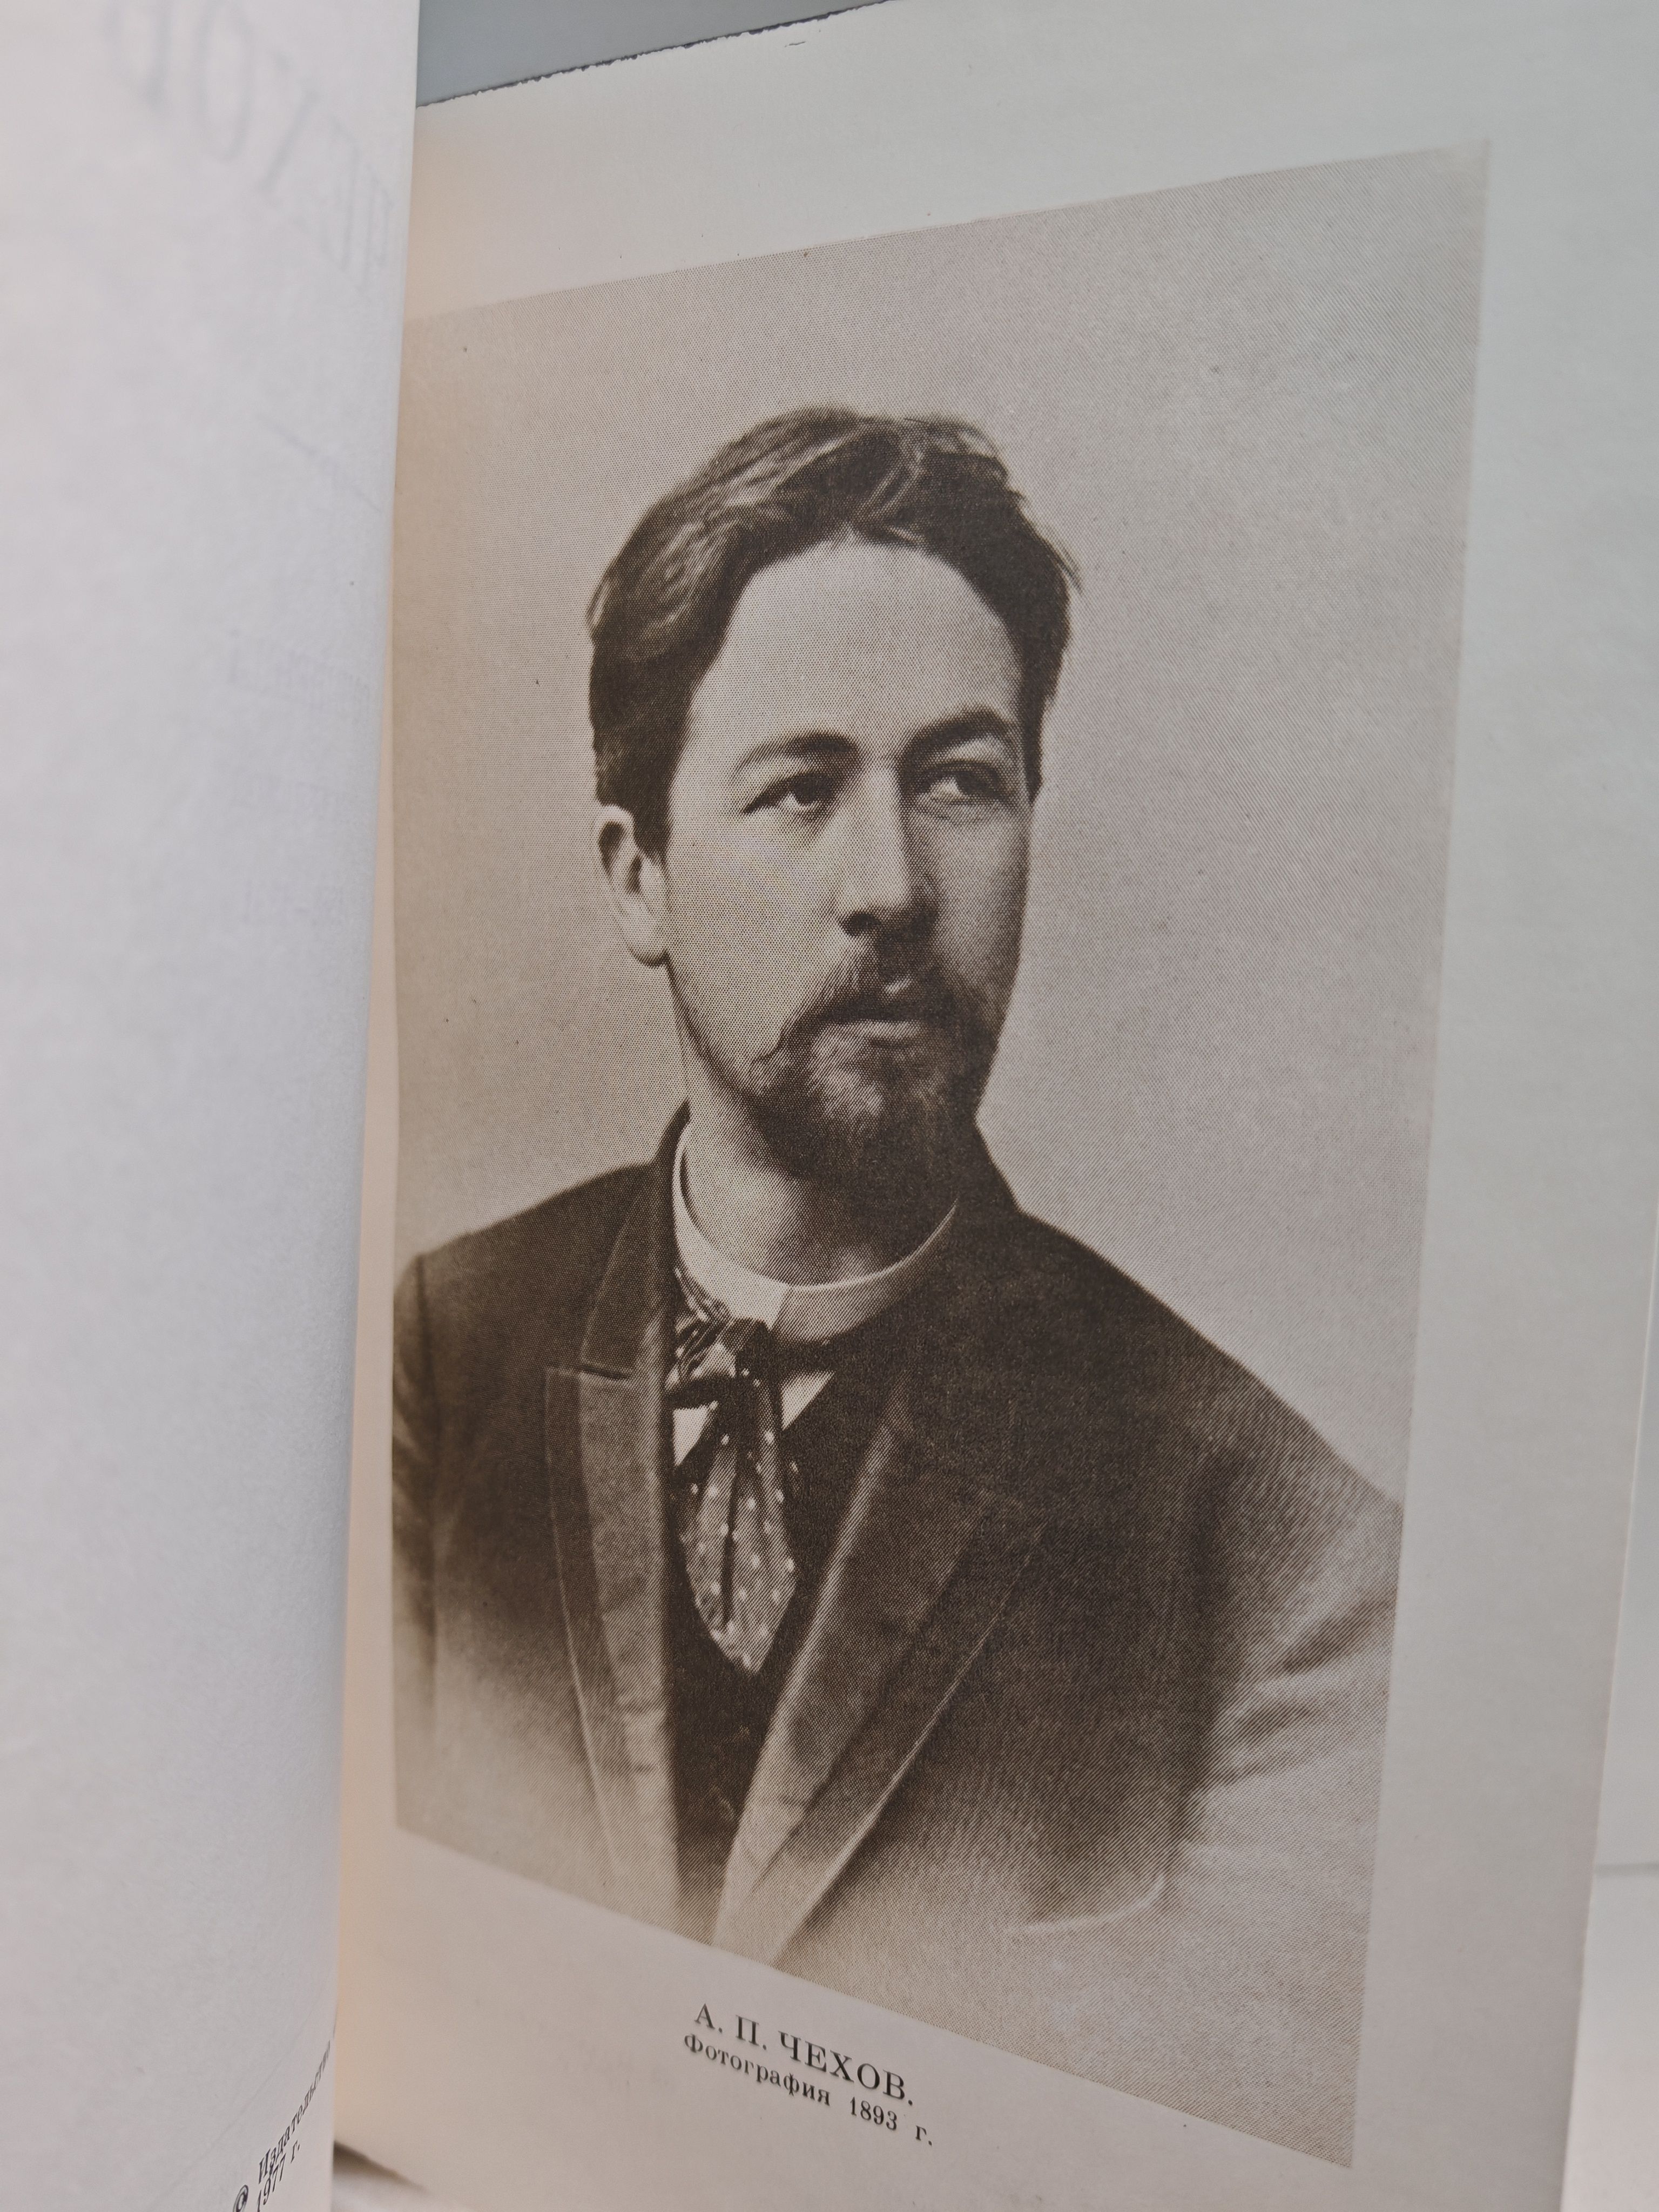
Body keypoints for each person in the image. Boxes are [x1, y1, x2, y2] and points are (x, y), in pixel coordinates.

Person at [392, 409, 1400, 2160]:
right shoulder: (437, 1357)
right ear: (639, 876)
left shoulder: (1284, 1556)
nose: (895, 890)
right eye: (800, 789)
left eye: (961, 782)